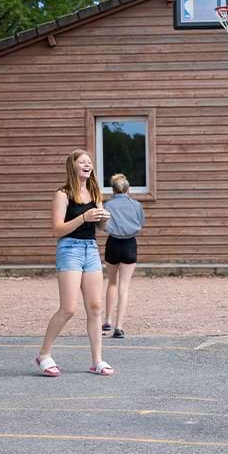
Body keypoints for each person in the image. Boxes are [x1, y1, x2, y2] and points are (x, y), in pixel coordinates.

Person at [36, 149, 114, 377]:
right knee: (69, 308)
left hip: (91, 249)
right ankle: (44, 354)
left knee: (95, 307)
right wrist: (83, 217)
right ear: (73, 166)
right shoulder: (63, 194)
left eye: (90, 162)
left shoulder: (94, 192)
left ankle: (97, 360)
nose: (88, 165)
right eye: (83, 162)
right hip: (69, 249)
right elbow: (57, 229)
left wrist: (103, 221)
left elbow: (100, 229)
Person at [101, 173, 145, 339]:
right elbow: (141, 223)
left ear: (113, 190)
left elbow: (102, 226)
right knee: (124, 286)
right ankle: (119, 327)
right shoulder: (136, 205)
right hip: (129, 244)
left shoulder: (107, 205)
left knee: (112, 282)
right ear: (128, 189)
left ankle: (107, 320)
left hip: (112, 243)